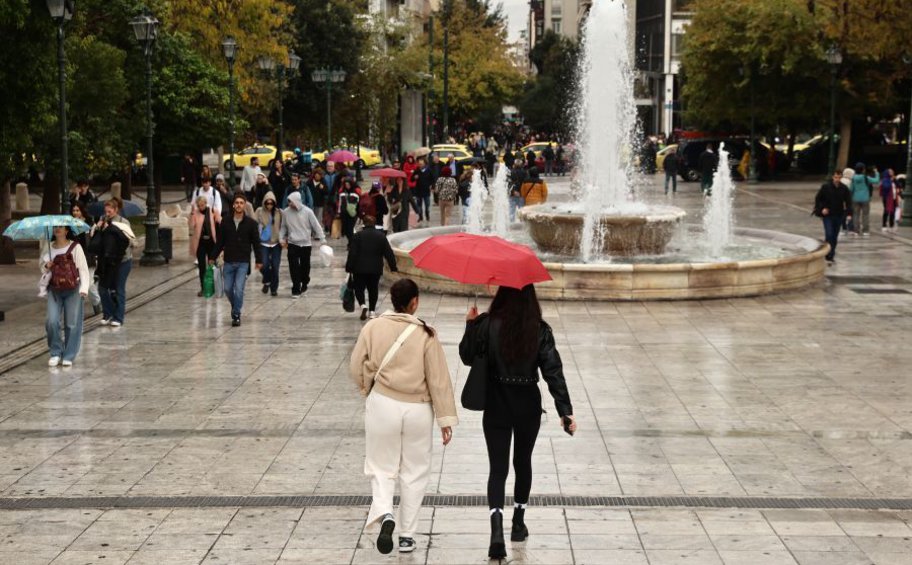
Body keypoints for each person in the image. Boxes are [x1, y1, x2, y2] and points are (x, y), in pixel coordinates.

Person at [459, 284, 575, 560]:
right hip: (527, 405)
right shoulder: (540, 329)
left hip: (497, 403)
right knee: (522, 462)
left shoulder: (486, 324)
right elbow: (552, 371)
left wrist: (470, 325)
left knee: (497, 469)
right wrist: (564, 410)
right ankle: (518, 523)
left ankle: (496, 532)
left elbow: (466, 357)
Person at [349, 278, 457, 556]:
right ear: (414, 302)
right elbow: (439, 379)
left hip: (383, 403)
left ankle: (385, 513)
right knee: (414, 472)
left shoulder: (372, 327)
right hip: (418, 409)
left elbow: (355, 364)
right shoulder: (426, 334)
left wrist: (367, 387)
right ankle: (407, 536)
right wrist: (445, 419)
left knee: (381, 466)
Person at [42, 225, 91, 367]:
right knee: (51, 321)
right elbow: (42, 268)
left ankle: (69, 355)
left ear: (66, 230)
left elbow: (83, 269)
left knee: (72, 323)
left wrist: (84, 288)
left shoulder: (76, 247)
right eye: (55, 227)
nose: (57, 229)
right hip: (55, 289)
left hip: (73, 289)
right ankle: (56, 352)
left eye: (61, 227)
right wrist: (46, 266)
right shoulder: (48, 247)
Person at [210, 193, 262, 326]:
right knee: (227, 289)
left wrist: (259, 260)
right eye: (236, 203)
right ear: (233, 205)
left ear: (244, 205)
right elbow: (220, 242)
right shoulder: (226, 222)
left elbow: (256, 243)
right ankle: (236, 305)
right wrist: (212, 257)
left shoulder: (251, 224)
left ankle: (236, 314)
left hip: (243, 262)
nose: (239, 205)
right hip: (228, 261)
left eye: (241, 203)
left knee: (239, 289)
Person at [90, 198, 134, 327]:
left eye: (109, 211)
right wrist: (97, 228)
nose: (107, 213)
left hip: (122, 261)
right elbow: (95, 240)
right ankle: (108, 313)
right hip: (106, 261)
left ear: (116, 210)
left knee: (118, 288)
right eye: (106, 211)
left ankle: (118, 317)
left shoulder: (123, 222)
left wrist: (113, 230)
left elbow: (130, 241)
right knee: (102, 288)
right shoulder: (102, 221)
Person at [346, 215, 397, 319]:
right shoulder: (381, 236)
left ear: (363, 224)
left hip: (359, 268)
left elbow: (352, 253)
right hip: (375, 268)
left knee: (359, 288)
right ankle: (372, 311)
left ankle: (363, 305)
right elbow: (388, 253)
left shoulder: (357, 236)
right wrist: (393, 266)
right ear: (374, 224)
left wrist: (349, 267)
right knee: (373, 289)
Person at [280, 191, 325, 297]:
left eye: (291, 202)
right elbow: (283, 226)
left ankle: (304, 282)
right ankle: (296, 288)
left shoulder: (308, 212)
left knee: (305, 267)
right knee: (293, 267)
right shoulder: (286, 212)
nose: (290, 204)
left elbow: (316, 225)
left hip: (306, 244)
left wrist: (322, 238)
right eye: (289, 202)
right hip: (292, 243)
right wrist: (281, 237)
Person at [69, 202, 102, 315]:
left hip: (89, 258)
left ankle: (97, 303)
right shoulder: (70, 226)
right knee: (79, 283)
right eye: (73, 210)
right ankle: (79, 308)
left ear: (82, 211)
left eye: (77, 210)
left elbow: (93, 242)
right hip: (75, 258)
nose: (75, 213)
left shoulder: (89, 224)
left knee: (88, 284)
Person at [814, 170, 852, 264]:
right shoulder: (826, 187)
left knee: (834, 236)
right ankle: (827, 253)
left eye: (839, 178)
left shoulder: (844, 188)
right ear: (833, 177)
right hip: (828, 215)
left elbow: (848, 202)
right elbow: (818, 199)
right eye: (836, 177)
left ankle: (831, 254)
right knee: (829, 233)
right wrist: (822, 209)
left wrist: (849, 214)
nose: (837, 179)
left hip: (839, 214)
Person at [189, 195, 221, 296]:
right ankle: (203, 288)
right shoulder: (196, 213)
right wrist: (191, 213)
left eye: (202, 205)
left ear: (205, 203)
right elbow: (191, 225)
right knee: (202, 266)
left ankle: (215, 287)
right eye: (199, 206)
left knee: (212, 265)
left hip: (211, 242)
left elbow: (221, 221)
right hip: (200, 243)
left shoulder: (212, 211)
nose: (201, 207)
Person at [254, 191, 283, 297]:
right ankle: (267, 281)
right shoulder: (259, 211)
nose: (269, 205)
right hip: (263, 243)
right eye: (267, 203)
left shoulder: (279, 212)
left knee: (275, 266)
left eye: (271, 203)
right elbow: (253, 225)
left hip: (276, 243)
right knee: (263, 265)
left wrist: (284, 238)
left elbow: (284, 226)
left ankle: (274, 289)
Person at [849, 162, 872, 237]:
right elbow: (876, 180)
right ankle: (865, 231)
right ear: (863, 170)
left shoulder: (853, 178)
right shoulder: (865, 177)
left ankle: (856, 230)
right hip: (865, 198)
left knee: (856, 215)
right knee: (865, 215)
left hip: (855, 198)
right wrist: (877, 173)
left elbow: (851, 189)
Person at [337, 178, 361, 247]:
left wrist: (358, 213)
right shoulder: (342, 193)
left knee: (350, 229)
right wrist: (338, 212)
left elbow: (358, 203)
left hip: (352, 214)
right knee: (345, 229)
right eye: (346, 184)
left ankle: (351, 243)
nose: (347, 186)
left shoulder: (355, 193)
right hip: (344, 213)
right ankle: (351, 242)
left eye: (348, 184)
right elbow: (340, 203)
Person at [411, 157, 434, 224]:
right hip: (418, 191)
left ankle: (427, 216)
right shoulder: (417, 170)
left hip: (426, 191)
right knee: (419, 206)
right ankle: (420, 217)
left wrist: (432, 186)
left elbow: (432, 179)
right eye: (419, 163)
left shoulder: (429, 170)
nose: (420, 165)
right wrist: (414, 177)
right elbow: (411, 179)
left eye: (421, 163)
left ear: (424, 163)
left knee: (427, 206)